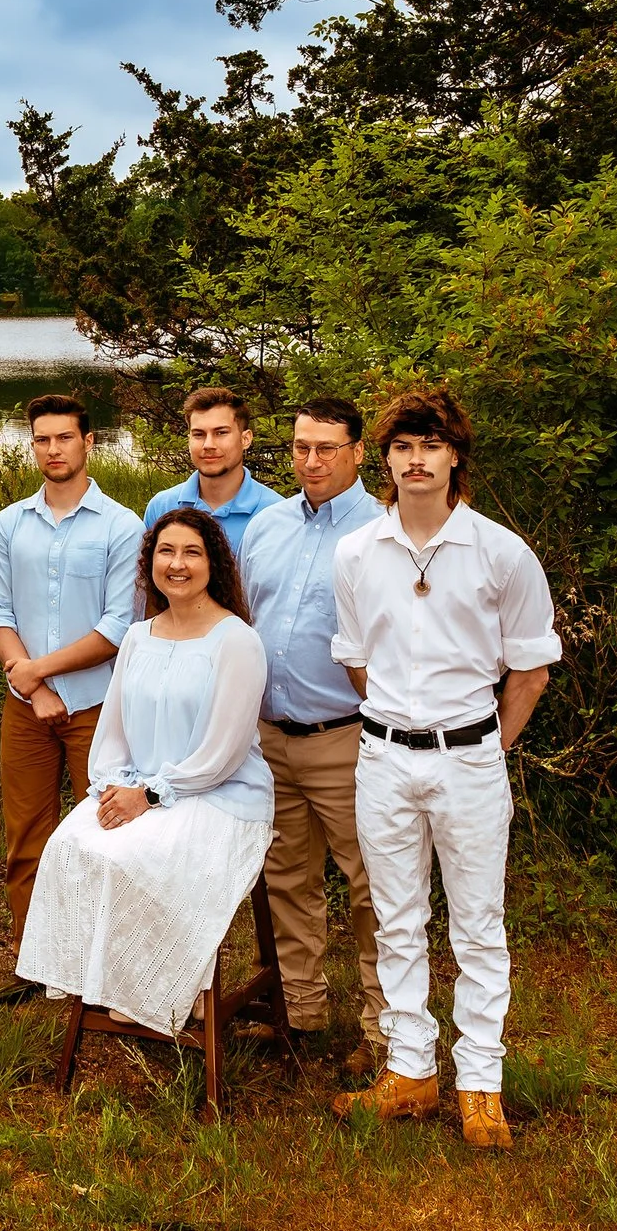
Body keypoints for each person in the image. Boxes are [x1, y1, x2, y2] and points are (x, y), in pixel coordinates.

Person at [329, 389, 560, 1149]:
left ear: (455, 455)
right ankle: (410, 1072)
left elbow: (528, 673)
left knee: (478, 926)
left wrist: (486, 748)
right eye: (402, 446)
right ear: (387, 459)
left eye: (430, 445)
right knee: (395, 919)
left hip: (470, 761)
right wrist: (400, 726)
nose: (416, 458)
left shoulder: (501, 552)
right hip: (384, 760)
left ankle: (481, 1084)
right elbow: (358, 662)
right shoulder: (358, 552)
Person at [17, 510, 275, 1037]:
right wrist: (114, 787)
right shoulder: (137, 636)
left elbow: (222, 752)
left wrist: (152, 795)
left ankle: (158, 989)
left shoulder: (237, 641)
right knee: (71, 847)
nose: (176, 564)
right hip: (138, 784)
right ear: (150, 561)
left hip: (219, 794)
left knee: (135, 857)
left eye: (191, 553)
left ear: (215, 564)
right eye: (166, 552)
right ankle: (112, 981)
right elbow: (113, 731)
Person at [0, 394, 146, 1002]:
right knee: (27, 837)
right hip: (27, 712)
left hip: (98, 710)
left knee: (105, 838)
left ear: (88, 443)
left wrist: (35, 674)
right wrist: (31, 685)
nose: (53, 450)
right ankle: (35, 965)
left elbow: (118, 627)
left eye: (64, 439)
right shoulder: (9, 524)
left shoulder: (123, 525)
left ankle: (99, 973)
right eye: (42, 439)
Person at [239, 395, 386, 1070]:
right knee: (286, 878)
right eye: (301, 446)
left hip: (347, 738)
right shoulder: (266, 525)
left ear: (358, 451)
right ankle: (299, 1012)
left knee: (372, 884)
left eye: (327, 447)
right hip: (270, 738)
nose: (312, 459)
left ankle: (386, 1030)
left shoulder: (383, 533)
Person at [142, 386, 282, 562]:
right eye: (199, 434)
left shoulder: (275, 513)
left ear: (245, 439)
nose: (208, 444)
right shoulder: (161, 506)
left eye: (221, 433)